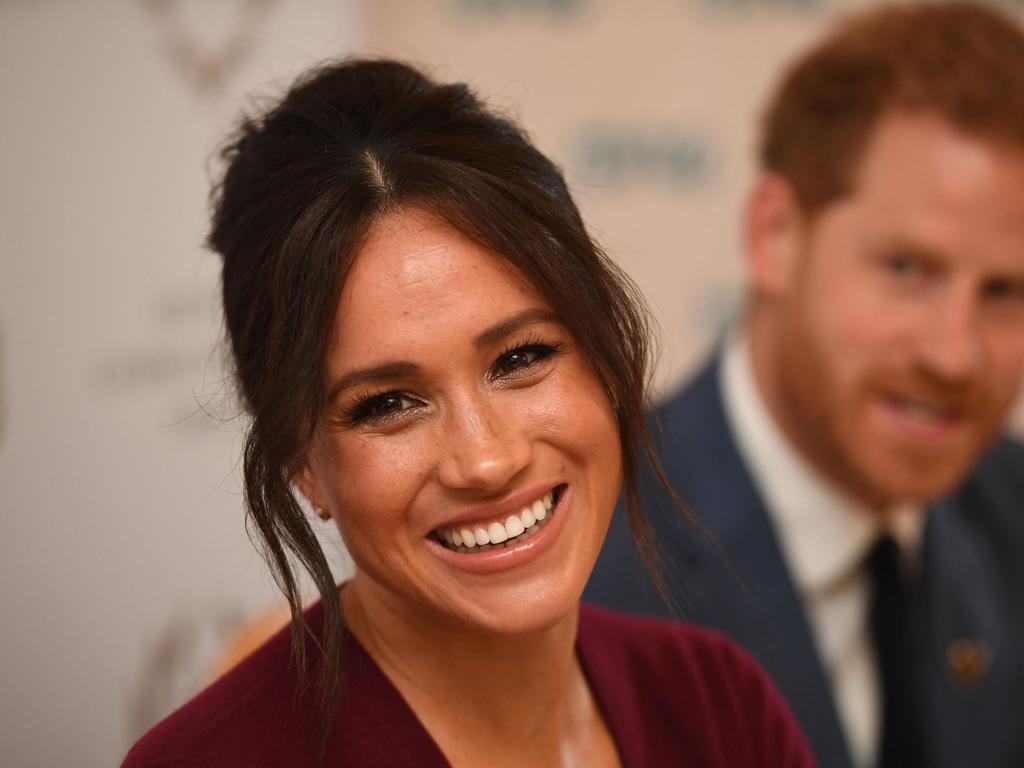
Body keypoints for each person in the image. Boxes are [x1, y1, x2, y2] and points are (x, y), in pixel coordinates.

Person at [120, 59, 814, 767]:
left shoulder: (720, 704)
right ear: (300, 462)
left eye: (520, 358)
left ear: (604, 354)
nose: (487, 459)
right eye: (388, 405)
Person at [587, 4, 1024, 768]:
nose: (955, 355)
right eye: (906, 270)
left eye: (1004, 292)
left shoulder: (1012, 514)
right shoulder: (588, 557)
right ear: (775, 237)